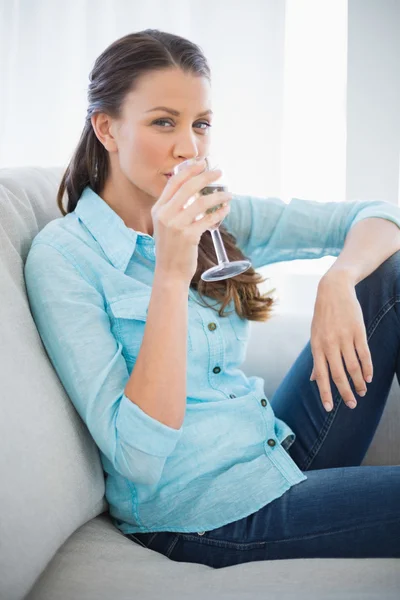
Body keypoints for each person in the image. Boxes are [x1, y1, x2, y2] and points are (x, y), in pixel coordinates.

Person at [24, 29, 400, 569]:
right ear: (107, 128)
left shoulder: (214, 214)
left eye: (200, 124)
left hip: (273, 453)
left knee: (389, 279)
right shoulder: (64, 260)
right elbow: (137, 456)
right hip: (203, 513)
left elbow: (378, 216)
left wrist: (337, 280)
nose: (189, 148)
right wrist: (171, 277)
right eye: (163, 122)